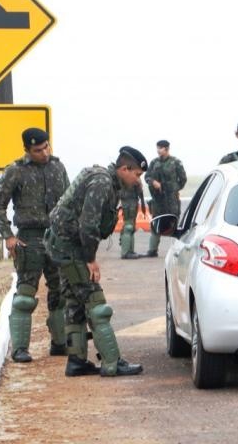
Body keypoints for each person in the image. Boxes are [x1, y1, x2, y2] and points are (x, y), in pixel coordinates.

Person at [45, 146, 147, 377]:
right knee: (96, 304)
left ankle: (76, 362)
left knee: (74, 304)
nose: (137, 180)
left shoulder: (107, 181)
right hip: (72, 249)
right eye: (136, 175)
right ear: (124, 168)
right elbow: (88, 225)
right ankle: (112, 362)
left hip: (62, 245)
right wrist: (90, 259)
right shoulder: (102, 183)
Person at [0, 128, 70, 363]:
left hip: (56, 237)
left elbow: (68, 201)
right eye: (38, 150)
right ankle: (20, 349)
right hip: (30, 238)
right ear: (27, 150)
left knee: (60, 292)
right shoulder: (15, 171)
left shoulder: (58, 167)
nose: (44, 153)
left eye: (47, 147)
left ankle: (59, 342)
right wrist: (8, 236)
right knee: (25, 295)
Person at [144, 140, 187, 257]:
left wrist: (174, 189)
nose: (158, 150)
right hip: (158, 200)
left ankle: (178, 251)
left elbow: (183, 179)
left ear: (167, 149)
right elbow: (147, 177)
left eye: (161, 148)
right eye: (157, 148)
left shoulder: (176, 162)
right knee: (156, 223)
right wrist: (153, 182)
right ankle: (152, 250)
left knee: (174, 224)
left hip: (171, 200)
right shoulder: (154, 163)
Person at [119, 180, 145, 260]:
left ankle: (129, 251)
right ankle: (126, 252)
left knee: (131, 227)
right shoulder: (127, 174)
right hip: (128, 203)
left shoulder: (128, 173)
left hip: (131, 201)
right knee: (128, 227)